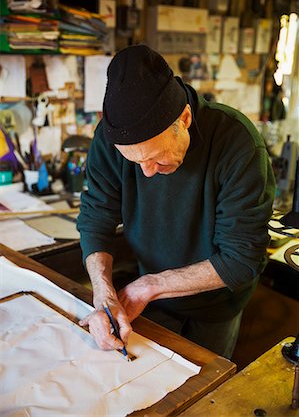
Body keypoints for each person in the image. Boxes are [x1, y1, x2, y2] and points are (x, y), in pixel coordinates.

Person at [77, 45, 275, 358]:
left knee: (201, 394)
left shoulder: (238, 145)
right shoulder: (108, 139)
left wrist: (148, 286)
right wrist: (103, 291)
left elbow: (242, 258)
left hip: (216, 304)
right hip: (152, 298)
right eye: (135, 161)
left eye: (156, 158)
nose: (147, 173)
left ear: (184, 118)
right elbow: (95, 217)